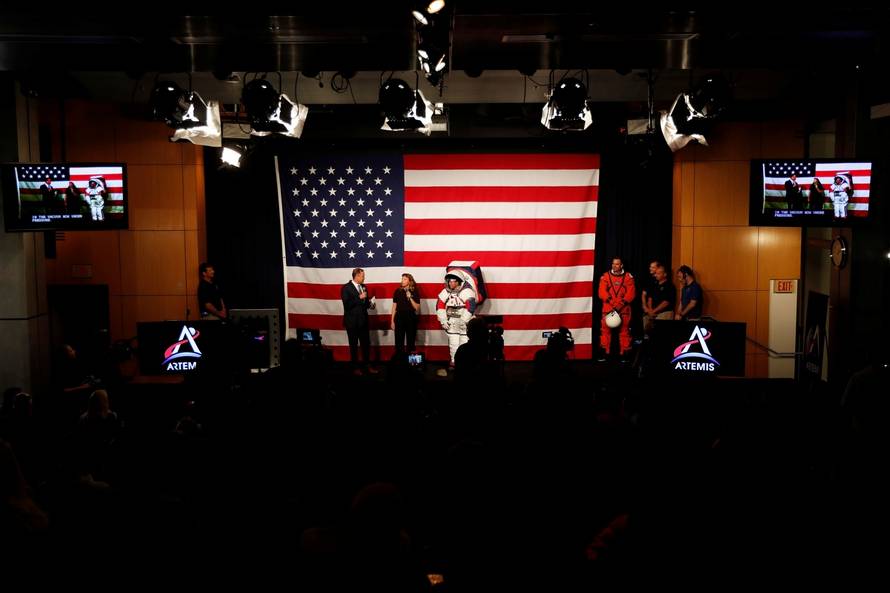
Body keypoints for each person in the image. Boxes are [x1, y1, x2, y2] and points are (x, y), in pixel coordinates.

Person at [436, 270, 477, 371]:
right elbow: (439, 306)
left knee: (464, 342)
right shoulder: (445, 292)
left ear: (459, 281)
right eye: (450, 281)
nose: (451, 283)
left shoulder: (467, 291)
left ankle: (465, 362)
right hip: (452, 321)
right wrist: (443, 320)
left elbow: (470, 307)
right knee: (453, 343)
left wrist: (464, 320)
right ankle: (453, 361)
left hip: (465, 320)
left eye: (454, 281)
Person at [598, 257, 636, 362]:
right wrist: (612, 302)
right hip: (608, 309)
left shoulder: (628, 277)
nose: (615, 266)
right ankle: (604, 353)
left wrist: (619, 305)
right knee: (605, 331)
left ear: (621, 265)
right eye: (613, 264)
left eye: (617, 264)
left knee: (624, 332)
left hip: (623, 309)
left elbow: (631, 293)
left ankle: (625, 354)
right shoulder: (605, 276)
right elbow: (602, 292)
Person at [341, 268, 377, 375]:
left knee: (366, 345)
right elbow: (347, 305)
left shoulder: (363, 287)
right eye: (362, 276)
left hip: (363, 322)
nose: (364, 277)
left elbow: (364, 304)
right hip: (352, 322)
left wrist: (370, 304)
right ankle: (355, 367)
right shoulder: (346, 288)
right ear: (356, 276)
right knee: (354, 345)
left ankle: (367, 366)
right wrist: (358, 297)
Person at [390, 273, 421, 354]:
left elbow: (417, 308)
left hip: (411, 317)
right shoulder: (397, 291)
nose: (402, 281)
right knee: (398, 341)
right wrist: (392, 321)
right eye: (402, 279)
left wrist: (410, 297)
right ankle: (400, 361)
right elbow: (394, 307)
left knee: (411, 341)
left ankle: (410, 362)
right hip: (399, 317)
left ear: (409, 281)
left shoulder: (415, 291)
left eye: (405, 279)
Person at [642, 264, 676, 334]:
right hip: (653, 313)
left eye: (658, 273)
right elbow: (650, 298)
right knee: (647, 326)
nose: (656, 275)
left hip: (664, 312)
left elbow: (666, 302)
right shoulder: (655, 284)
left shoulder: (670, 286)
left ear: (665, 274)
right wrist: (650, 310)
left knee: (660, 331)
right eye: (656, 273)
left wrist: (654, 311)